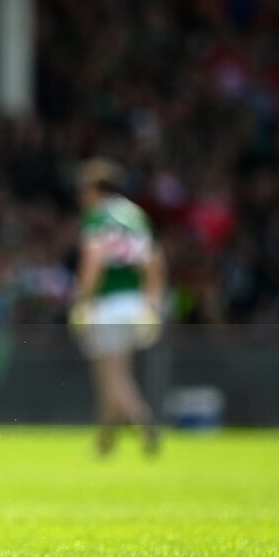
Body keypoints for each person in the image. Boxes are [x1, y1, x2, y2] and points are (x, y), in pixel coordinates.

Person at [68, 159, 165, 456]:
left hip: (106, 303)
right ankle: (106, 440)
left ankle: (144, 422)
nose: (82, 196)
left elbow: (94, 261)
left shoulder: (97, 217)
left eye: (85, 189)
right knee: (114, 372)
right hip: (135, 301)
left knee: (112, 376)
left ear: (98, 188)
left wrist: (81, 301)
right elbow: (154, 260)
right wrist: (153, 303)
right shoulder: (135, 216)